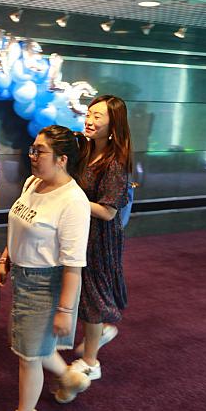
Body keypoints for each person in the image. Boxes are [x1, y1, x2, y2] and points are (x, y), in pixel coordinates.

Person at [0, 126, 92, 411]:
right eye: (32, 149)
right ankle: (70, 378)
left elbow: (73, 265)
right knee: (30, 345)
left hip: (46, 285)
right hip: (22, 278)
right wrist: (6, 257)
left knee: (28, 356)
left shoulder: (73, 201)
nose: (33, 156)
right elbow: (19, 226)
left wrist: (65, 311)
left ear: (62, 159)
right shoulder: (32, 183)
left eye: (40, 151)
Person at [70, 95, 133, 381]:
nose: (89, 120)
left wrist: (71, 200)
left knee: (91, 299)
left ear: (113, 125)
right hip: (80, 232)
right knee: (83, 294)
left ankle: (91, 363)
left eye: (98, 116)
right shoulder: (85, 150)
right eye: (89, 114)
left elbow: (108, 212)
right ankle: (101, 331)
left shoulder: (115, 163)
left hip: (99, 239)